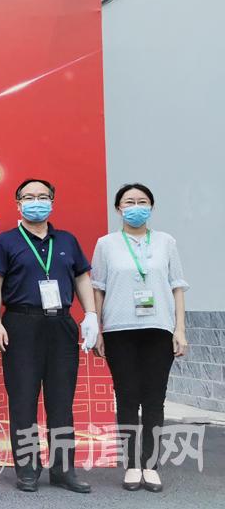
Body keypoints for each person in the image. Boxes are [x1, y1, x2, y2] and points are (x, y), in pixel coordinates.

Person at [0, 178, 97, 494]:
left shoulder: (67, 240)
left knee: (61, 401)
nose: (37, 201)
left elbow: (82, 278)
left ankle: (63, 470)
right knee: (23, 401)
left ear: (52, 201)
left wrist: (90, 314)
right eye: (29, 197)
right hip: (21, 324)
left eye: (43, 196)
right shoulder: (5, 241)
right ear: (18, 203)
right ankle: (28, 469)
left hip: (60, 325)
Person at [91, 183, 189, 493]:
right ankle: (132, 464)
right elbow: (98, 288)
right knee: (127, 396)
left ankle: (151, 464)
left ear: (151, 207)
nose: (136, 207)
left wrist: (180, 329)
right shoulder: (106, 244)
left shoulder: (165, 242)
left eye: (142, 201)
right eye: (129, 202)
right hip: (119, 330)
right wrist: (98, 330)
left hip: (159, 329)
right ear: (118, 208)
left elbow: (177, 286)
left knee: (154, 398)